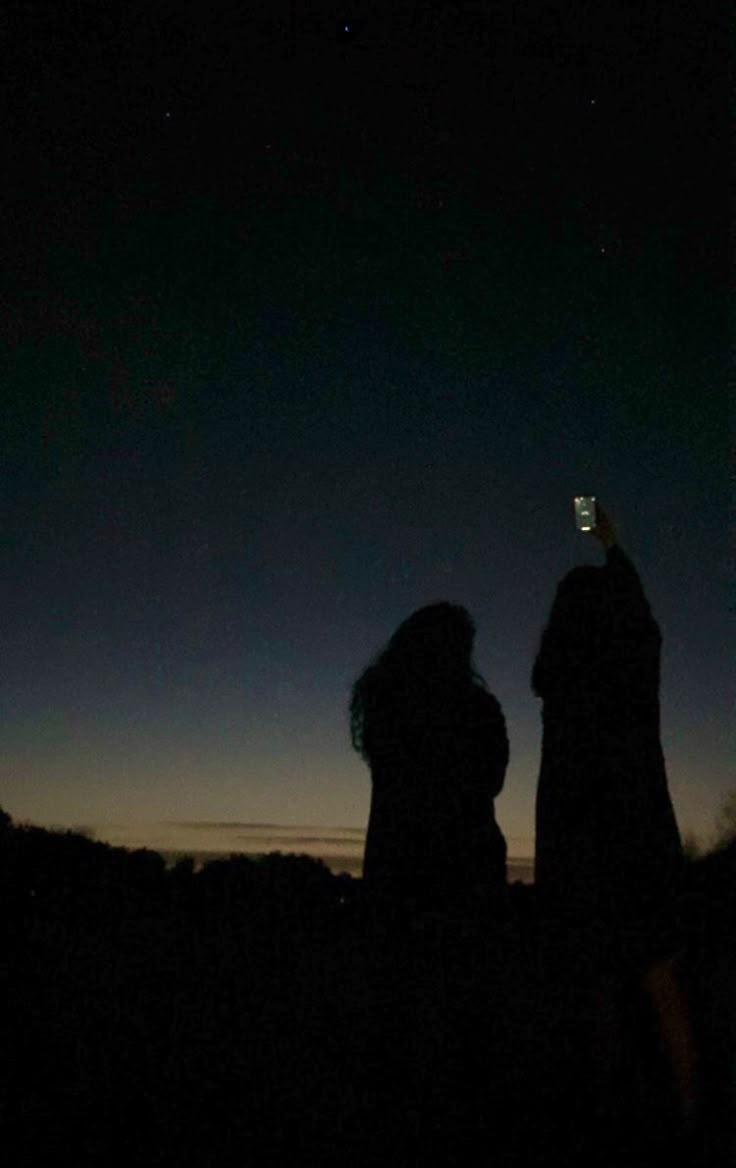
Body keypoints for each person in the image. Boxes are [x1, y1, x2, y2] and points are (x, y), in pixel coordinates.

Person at [531, 503, 696, 1146]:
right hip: (639, 838)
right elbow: (644, 628)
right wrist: (615, 548)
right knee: (658, 980)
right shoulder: (631, 672)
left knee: (596, 989)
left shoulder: (560, 685)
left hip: (578, 852)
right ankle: (686, 1118)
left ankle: (601, 1125)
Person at [350, 602, 509, 914]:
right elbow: (491, 779)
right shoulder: (476, 708)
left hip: (394, 863)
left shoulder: (387, 706)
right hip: (465, 867)